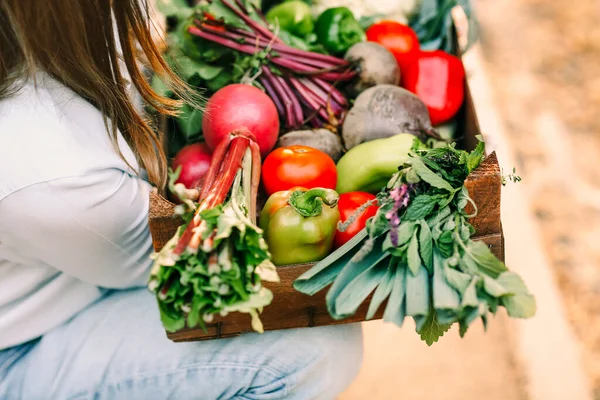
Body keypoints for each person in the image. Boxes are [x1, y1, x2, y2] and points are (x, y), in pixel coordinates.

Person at [0, 1, 363, 399]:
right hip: (22, 346)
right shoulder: (47, 170)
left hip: (73, 269)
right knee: (312, 349)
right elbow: (159, 261)